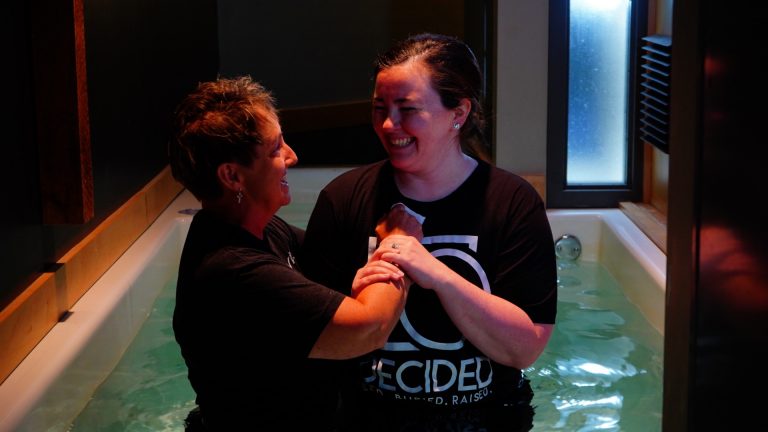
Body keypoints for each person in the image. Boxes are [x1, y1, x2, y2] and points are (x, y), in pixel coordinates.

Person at [300, 33, 558, 431]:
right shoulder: (344, 199)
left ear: (459, 113)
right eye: (380, 108)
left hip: (487, 417)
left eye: (408, 109)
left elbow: (524, 349)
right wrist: (353, 300)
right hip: (368, 416)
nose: (389, 125)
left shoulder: (512, 202)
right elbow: (311, 341)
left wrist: (436, 274)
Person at [167, 76, 423, 431]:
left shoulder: (258, 229)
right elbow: (370, 328)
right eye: (275, 149)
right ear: (232, 176)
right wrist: (398, 243)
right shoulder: (234, 271)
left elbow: (333, 261)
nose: (292, 156)